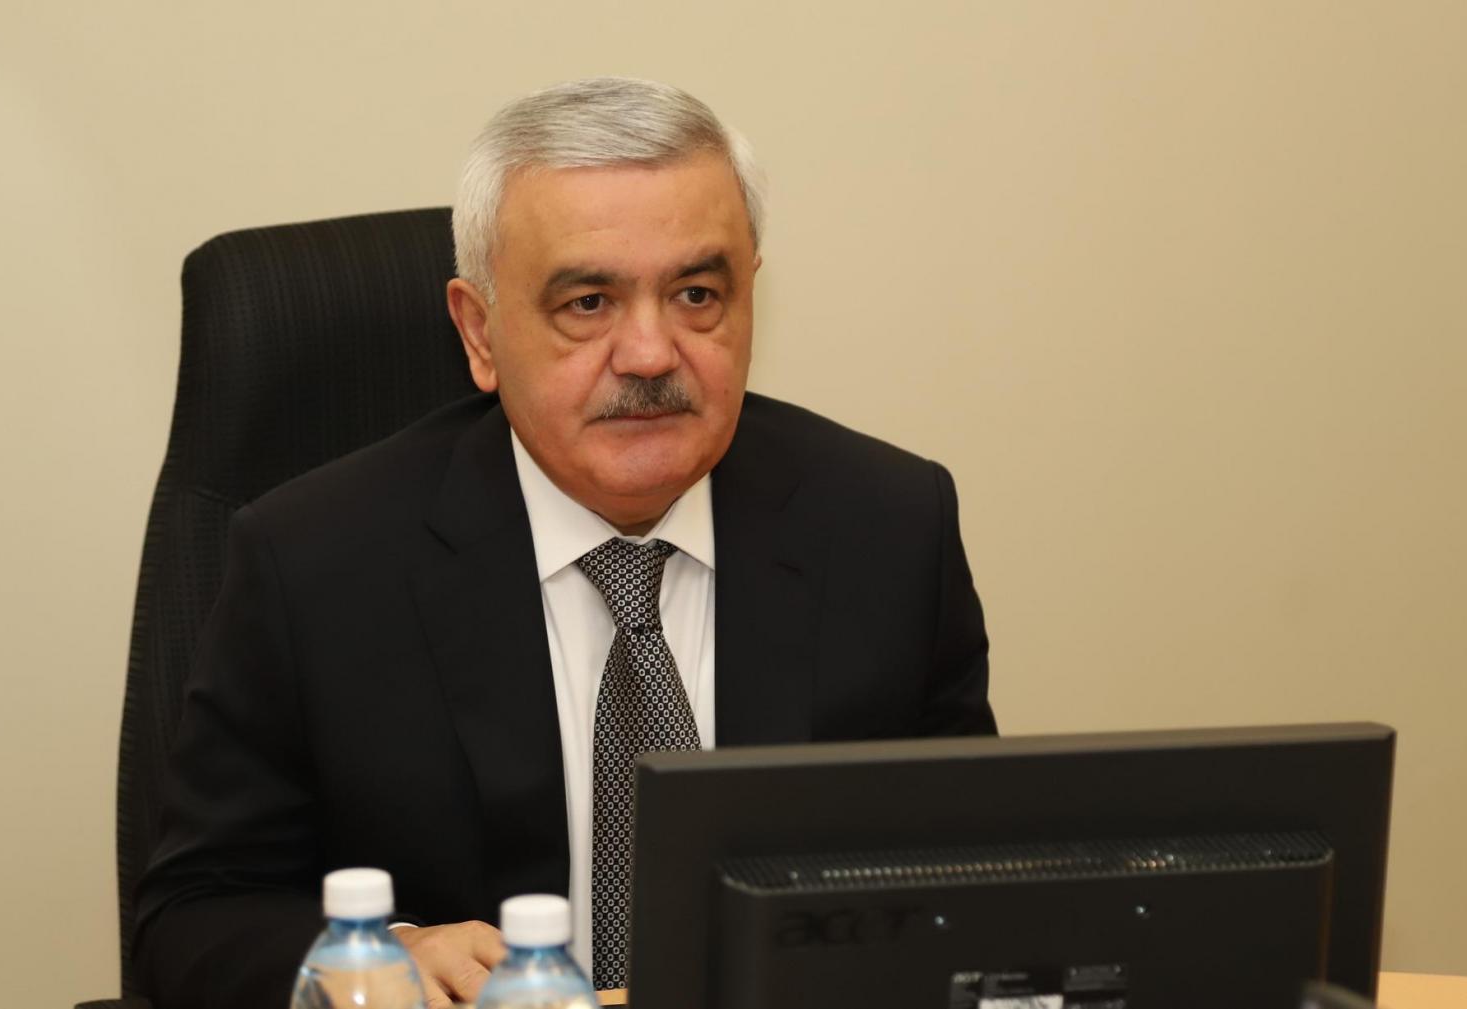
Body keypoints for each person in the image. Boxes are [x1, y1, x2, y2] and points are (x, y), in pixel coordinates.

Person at [132, 77, 995, 1009]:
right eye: (588, 303)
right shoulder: (313, 562)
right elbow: (193, 914)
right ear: (479, 332)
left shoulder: (886, 527)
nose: (650, 354)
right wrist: (383, 956)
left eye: (696, 294)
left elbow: (978, 883)